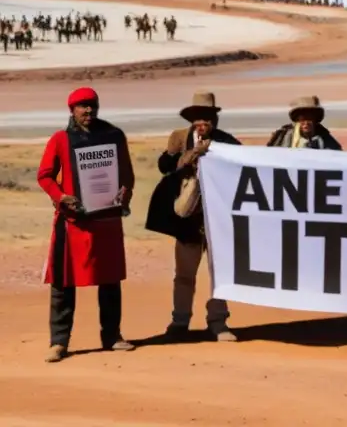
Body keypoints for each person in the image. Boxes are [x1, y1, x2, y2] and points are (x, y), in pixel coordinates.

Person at [37, 87, 135, 363]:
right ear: (72, 111)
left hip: (105, 220)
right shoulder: (60, 139)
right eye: (82, 106)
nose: (88, 111)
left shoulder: (114, 137)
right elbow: (44, 176)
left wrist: (124, 192)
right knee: (62, 283)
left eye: (92, 105)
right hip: (73, 224)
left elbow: (126, 173)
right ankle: (59, 342)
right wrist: (60, 196)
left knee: (110, 280)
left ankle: (112, 336)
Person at [145, 91, 242, 342]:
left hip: (217, 219)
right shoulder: (179, 138)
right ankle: (180, 321)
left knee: (219, 274)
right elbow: (164, 168)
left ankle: (218, 322)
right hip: (188, 219)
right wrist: (183, 158)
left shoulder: (227, 141)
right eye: (198, 117)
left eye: (207, 117)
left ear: (215, 120)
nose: (203, 122)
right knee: (184, 274)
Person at [267, 96, 342, 149]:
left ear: (315, 120)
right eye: (302, 119)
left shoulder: (325, 138)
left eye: (309, 118)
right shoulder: (284, 136)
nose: (306, 122)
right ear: (297, 120)